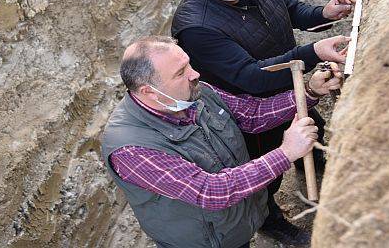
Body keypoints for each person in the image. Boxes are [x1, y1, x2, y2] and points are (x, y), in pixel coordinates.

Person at [171, 0, 354, 244]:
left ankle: (313, 160)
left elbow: (289, 9)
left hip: (288, 86)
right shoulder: (196, 27)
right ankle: (271, 221)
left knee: (311, 125)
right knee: (265, 173)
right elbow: (251, 77)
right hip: (249, 113)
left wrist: (324, 13)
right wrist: (312, 53)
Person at [101, 36, 343, 248]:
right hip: (205, 241)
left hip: (237, 221)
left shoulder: (195, 92)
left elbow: (252, 114)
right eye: (180, 73)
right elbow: (210, 191)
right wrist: (286, 153)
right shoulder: (131, 148)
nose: (194, 74)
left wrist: (310, 92)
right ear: (149, 92)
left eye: (187, 64)